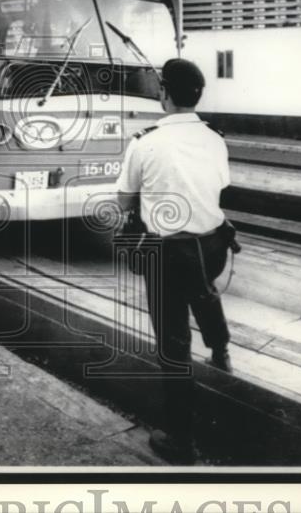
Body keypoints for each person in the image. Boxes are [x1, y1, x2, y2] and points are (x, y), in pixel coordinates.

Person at [115, 58, 234, 465]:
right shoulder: (215, 139)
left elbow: (124, 200)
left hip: (167, 252)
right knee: (203, 289)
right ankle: (220, 350)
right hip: (213, 246)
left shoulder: (145, 142)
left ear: (163, 92)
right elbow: (218, 187)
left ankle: (180, 440)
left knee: (172, 341)